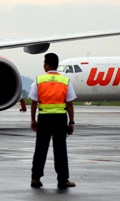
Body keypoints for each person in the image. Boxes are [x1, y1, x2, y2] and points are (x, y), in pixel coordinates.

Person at [29, 52, 76, 189]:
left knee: (40, 149)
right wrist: (71, 122)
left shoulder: (39, 80)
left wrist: (33, 120)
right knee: (60, 149)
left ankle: (35, 178)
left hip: (44, 118)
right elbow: (69, 104)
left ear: (48, 65)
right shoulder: (65, 81)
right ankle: (63, 180)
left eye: (44, 63)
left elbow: (33, 102)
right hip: (60, 119)